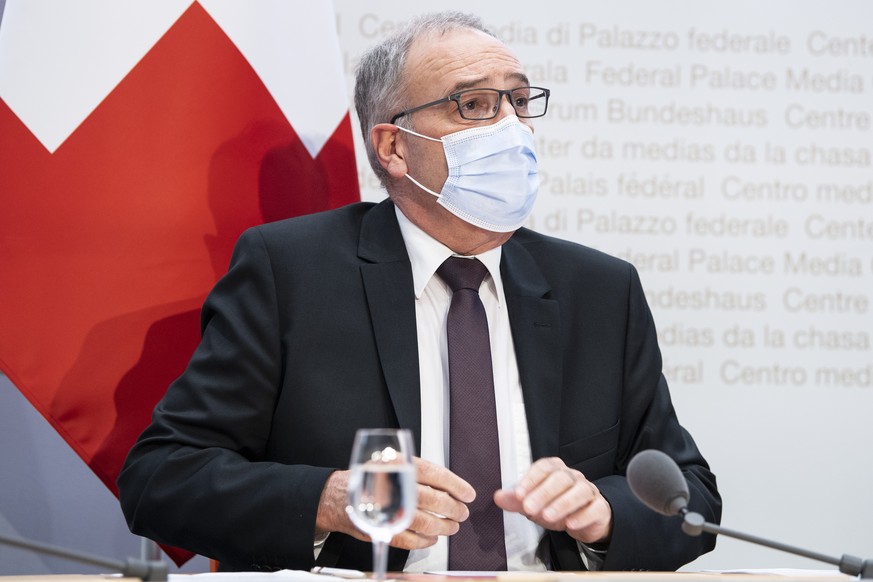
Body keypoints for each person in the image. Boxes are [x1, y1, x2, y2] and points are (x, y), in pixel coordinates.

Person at [118, 10, 721, 573]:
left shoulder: (599, 290)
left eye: (517, 100)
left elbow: (692, 499)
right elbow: (162, 478)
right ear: (393, 147)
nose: (511, 127)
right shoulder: (291, 272)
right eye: (475, 105)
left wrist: (605, 515)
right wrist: (329, 500)